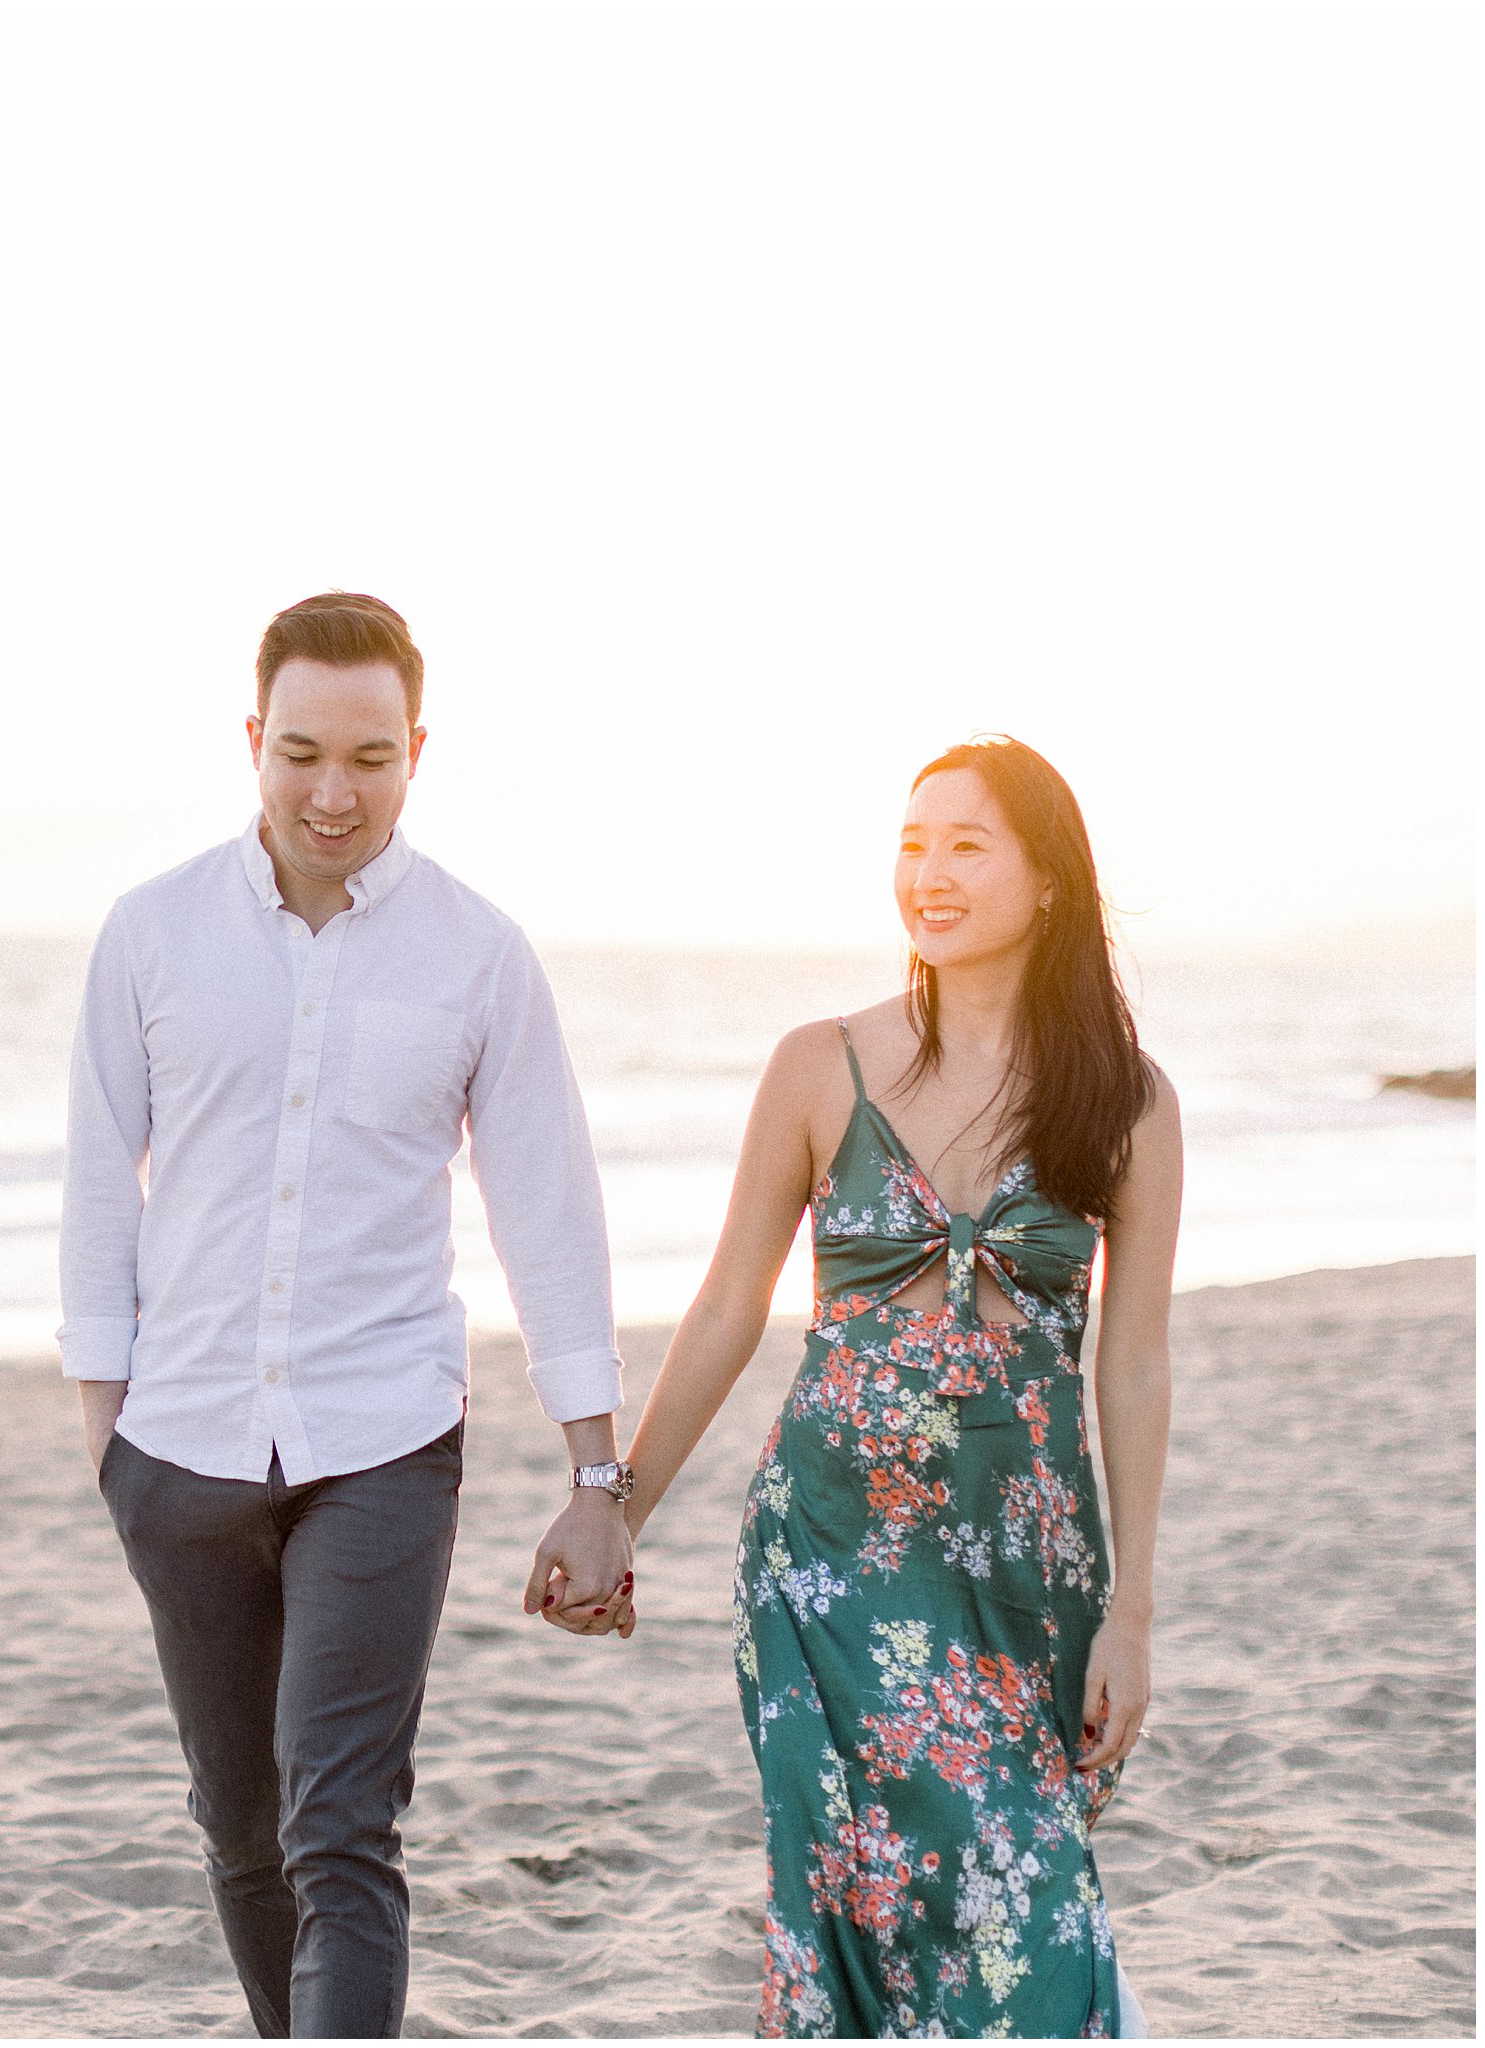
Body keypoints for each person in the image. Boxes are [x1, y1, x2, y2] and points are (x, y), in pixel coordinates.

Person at [58, 591, 637, 2040]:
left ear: (416, 752)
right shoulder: (150, 935)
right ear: (254, 741)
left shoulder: (478, 954)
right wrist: (105, 1435)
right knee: (240, 1830)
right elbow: (95, 1184)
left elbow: (545, 1210)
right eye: (301, 752)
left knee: (340, 1825)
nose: (332, 792)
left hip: (382, 1441)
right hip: (177, 1446)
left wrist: (593, 1470)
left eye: (369, 759)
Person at [569, 737, 1178, 2038]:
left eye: (966, 844)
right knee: (846, 1893)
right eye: (911, 843)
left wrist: (1130, 1611)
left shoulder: (1121, 1103)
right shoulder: (816, 1065)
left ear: (1048, 879)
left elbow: (1130, 1358)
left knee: (1026, 1904)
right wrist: (619, 1504)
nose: (929, 873)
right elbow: (730, 1304)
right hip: (827, 1555)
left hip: (1025, 1567)